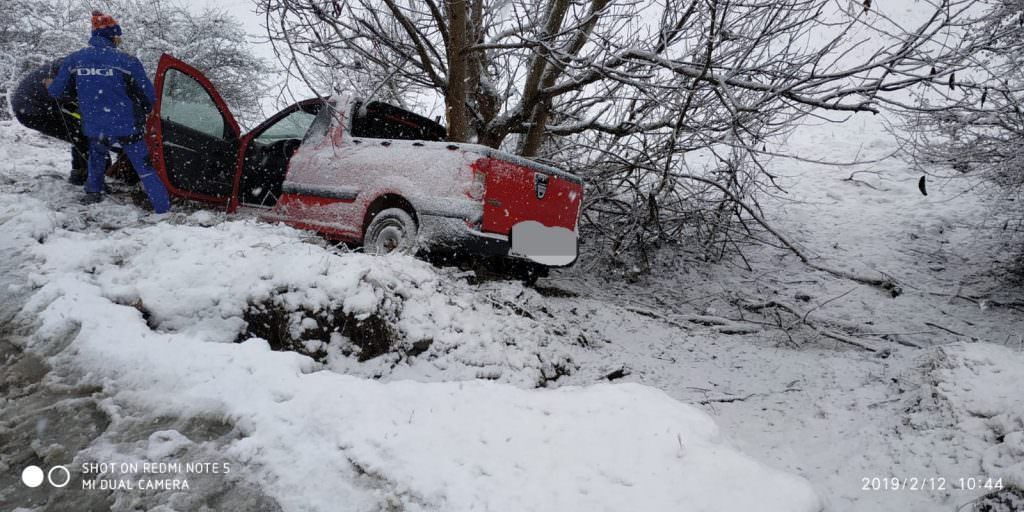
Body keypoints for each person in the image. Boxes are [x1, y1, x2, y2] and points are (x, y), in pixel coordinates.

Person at [47, 10, 170, 213]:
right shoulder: (126, 61)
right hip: (127, 124)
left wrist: (50, 84)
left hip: (95, 125)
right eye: (117, 35)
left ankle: (93, 193)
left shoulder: (75, 59)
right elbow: (149, 95)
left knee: (96, 155)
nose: (119, 39)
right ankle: (162, 207)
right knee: (144, 167)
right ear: (112, 35)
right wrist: (147, 111)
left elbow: (57, 91)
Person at [11, 59, 103, 185]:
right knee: (80, 133)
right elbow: (72, 97)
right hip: (32, 111)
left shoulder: (72, 66)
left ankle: (82, 172)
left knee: (79, 129)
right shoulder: (68, 73)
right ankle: (90, 177)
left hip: (36, 106)